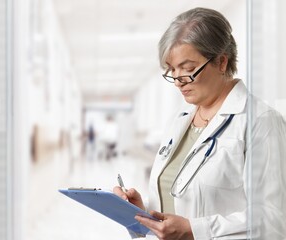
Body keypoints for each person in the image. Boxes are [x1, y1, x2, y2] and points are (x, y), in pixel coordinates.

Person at [113, 7, 286, 240]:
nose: (178, 81)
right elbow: (177, 205)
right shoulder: (181, 118)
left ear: (222, 62)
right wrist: (142, 213)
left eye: (188, 69)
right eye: (172, 70)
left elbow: (274, 221)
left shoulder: (261, 122)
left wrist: (196, 230)